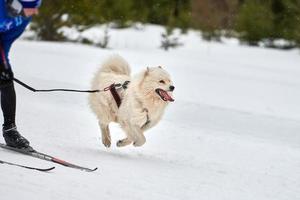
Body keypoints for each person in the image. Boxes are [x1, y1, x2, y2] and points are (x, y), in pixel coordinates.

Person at [0, 0, 41, 149]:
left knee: (5, 78)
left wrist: (2, 63)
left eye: (35, 7)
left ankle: (10, 130)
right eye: (30, 8)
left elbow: (7, 38)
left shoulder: (24, 16)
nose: (34, 12)